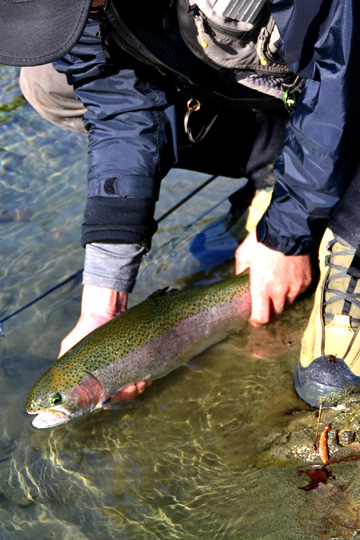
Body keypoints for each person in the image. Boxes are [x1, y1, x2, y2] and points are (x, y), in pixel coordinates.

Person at [1, 0, 359, 406]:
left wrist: (285, 236)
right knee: (48, 83)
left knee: (326, 384)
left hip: (346, 55)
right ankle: (280, 163)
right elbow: (121, 115)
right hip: (287, 83)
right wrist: (103, 301)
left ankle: (341, 217)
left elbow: (341, 66)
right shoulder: (82, 14)